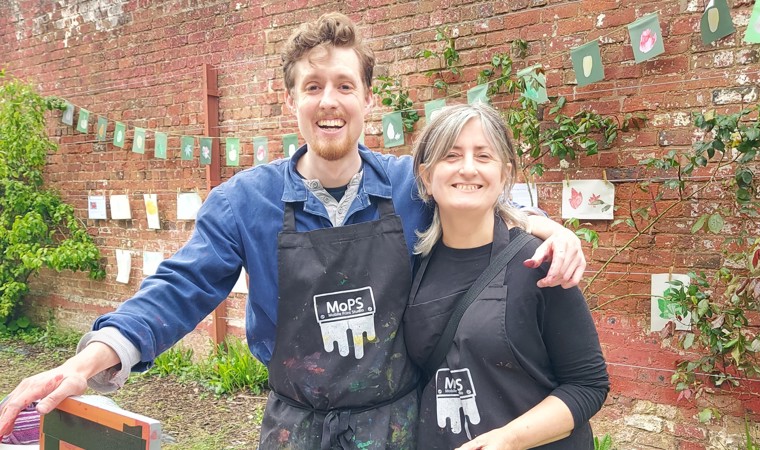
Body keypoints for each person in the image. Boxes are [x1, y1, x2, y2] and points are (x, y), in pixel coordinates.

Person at [0, 13, 587, 450]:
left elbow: (479, 191)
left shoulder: (412, 185)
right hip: (294, 428)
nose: (329, 102)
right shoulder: (244, 201)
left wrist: (544, 225)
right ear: (290, 101)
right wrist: (85, 364)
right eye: (313, 86)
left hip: (396, 425)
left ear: (368, 99)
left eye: (343, 85)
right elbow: (178, 290)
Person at [405, 103, 609, 450]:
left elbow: (587, 385)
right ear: (426, 176)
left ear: (504, 175)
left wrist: (509, 439)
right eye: (451, 156)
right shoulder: (413, 264)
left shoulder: (539, 262)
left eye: (483, 156)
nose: (468, 168)